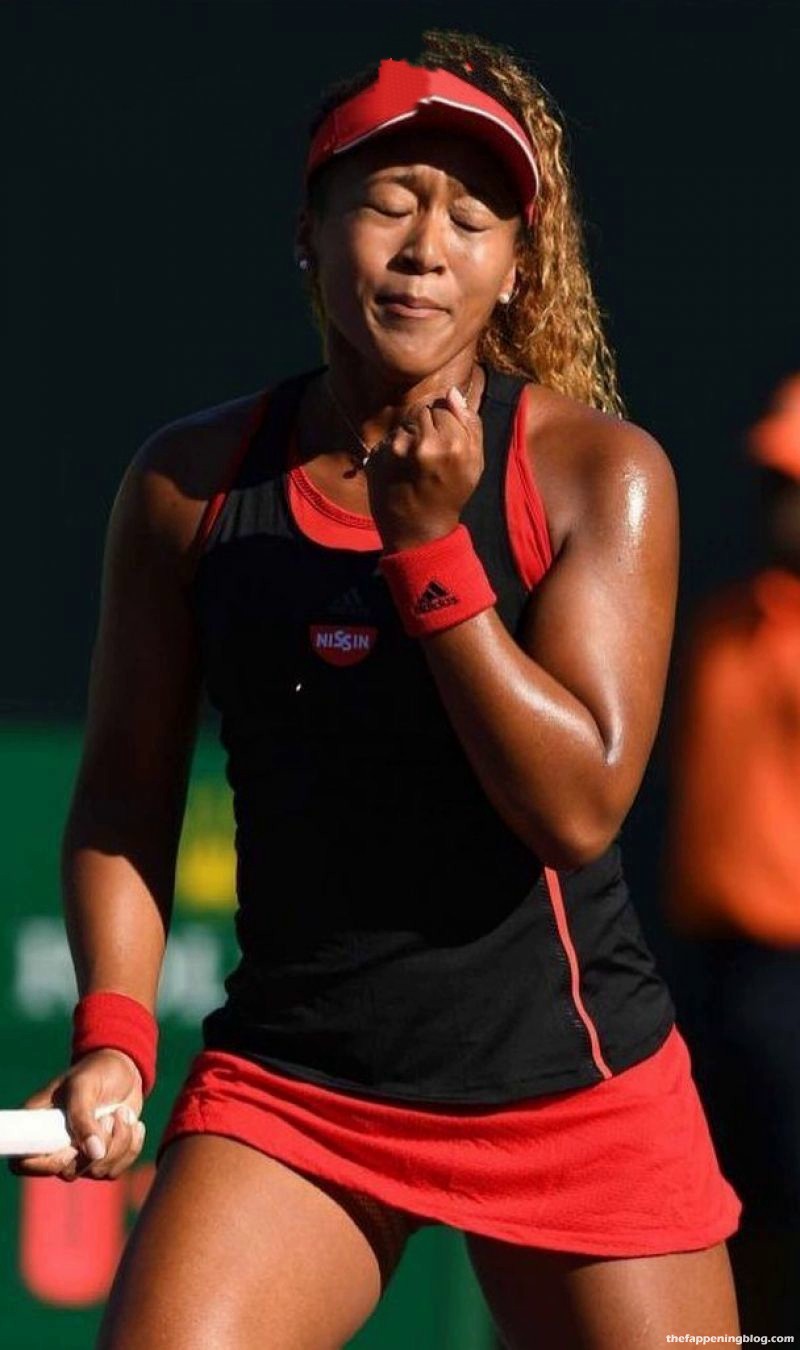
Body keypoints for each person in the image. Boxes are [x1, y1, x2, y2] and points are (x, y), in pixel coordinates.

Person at [14, 29, 741, 1349]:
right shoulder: (185, 485)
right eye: (389, 202)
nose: (424, 249)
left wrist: (427, 553)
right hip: (300, 1087)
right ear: (309, 231)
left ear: (515, 269)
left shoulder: (603, 473)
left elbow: (577, 808)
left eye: (470, 218)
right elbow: (123, 793)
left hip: (577, 1090)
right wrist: (115, 1035)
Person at [665, 374, 800, 1336]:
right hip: (711, 973)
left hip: (794, 978)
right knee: (715, 1212)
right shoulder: (721, 624)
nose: (785, 506)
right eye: (776, 484)